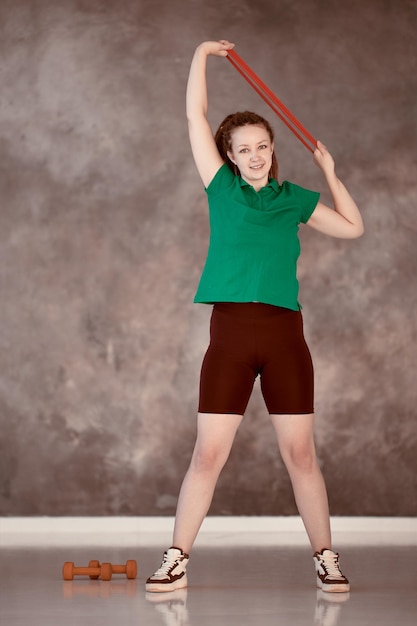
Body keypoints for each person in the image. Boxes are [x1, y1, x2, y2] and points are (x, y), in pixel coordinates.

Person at [146, 40, 364, 595]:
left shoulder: (293, 198)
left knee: (301, 455)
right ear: (230, 155)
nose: (256, 155)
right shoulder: (221, 189)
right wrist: (199, 54)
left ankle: (326, 557)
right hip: (232, 337)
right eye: (244, 149)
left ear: (272, 149)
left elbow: (352, 227)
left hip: (286, 338)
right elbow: (193, 113)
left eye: (263, 146)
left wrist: (331, 172)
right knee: (208, 454)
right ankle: (176, 558)